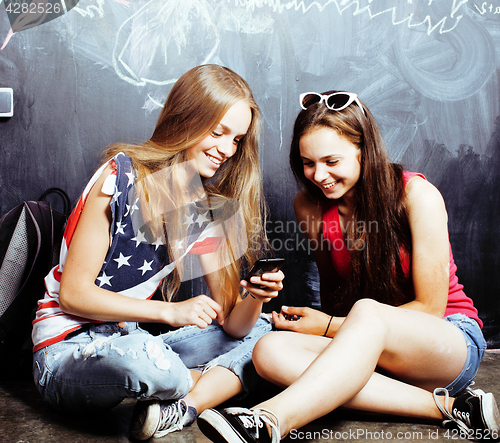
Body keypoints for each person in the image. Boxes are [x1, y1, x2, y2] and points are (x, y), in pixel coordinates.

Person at [197, 91, 500, 442]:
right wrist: (317, 325)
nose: (318, 175)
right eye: (308, 163)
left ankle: (268, 420)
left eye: (331, 161)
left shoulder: (417, 195)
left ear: (363, 150)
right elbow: (335, 293)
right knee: (269, 352)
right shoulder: (310, 206)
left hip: (446, 342)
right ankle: (455, 409)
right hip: (373, 354)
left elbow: (430, 309)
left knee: (367, 311)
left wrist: (327, 327)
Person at [31, 64, 284, 441]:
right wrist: (169, 311)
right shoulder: (118, 176)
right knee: (153, 364)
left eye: (236, 139)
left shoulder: (205, 209)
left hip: (131, 342)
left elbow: (235, 326)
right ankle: (205, 383)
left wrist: (255, 296)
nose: (226, 150)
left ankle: (183, 408)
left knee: (265, 335)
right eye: (218, 132)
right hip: (66, 351)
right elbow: (74, 295)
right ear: (186, 118)